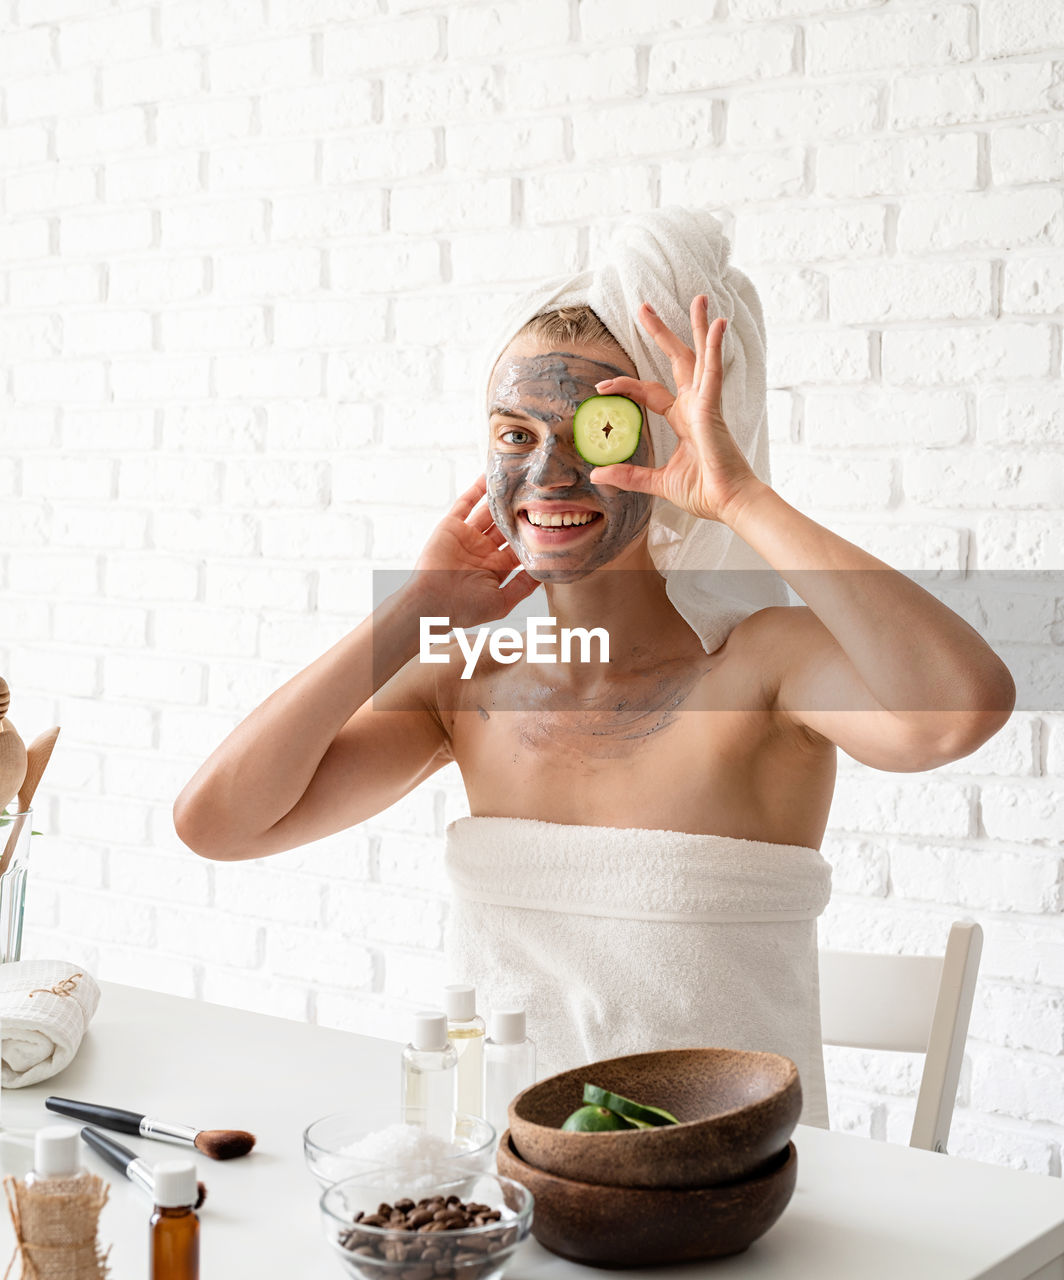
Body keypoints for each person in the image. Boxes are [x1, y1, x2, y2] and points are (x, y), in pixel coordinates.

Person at [174, 209, 1015, 1128]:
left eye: (599, 430)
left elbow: (954, 713)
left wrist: (739, 497)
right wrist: (407, 616)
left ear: (672, 443)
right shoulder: (469, 677)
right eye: (514, 433)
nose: (549, 473)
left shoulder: (761, 665)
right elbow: (218, 823)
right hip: (514, 1198)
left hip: (728, 1204)